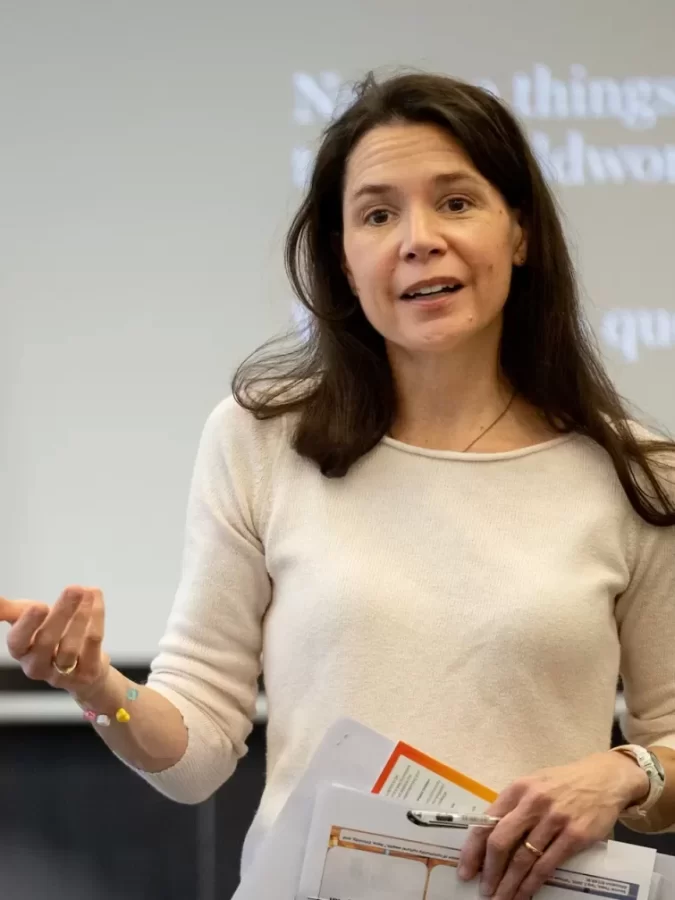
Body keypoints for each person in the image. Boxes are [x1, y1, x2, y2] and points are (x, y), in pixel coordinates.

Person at [2, 70, 675, 900]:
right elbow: (198, 754)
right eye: (377, 214)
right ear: (343, 259)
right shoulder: (260, 440)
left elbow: (669, 741)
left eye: (456, 203)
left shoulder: (634, 472)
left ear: (521, 232)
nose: (418, 238)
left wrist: (625, 772)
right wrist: (95, 685)